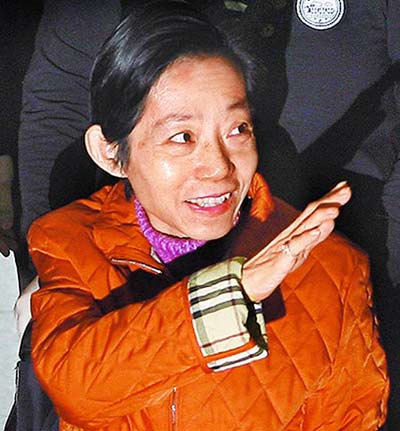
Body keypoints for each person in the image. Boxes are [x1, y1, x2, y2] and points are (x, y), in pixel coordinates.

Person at [26, 2, 388, 430]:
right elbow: (76, 388)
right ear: (110, 153)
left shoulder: (333, 267)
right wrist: (234, 294)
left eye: (237, 130)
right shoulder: (68, 241)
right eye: (182, 137)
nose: (218, 166)